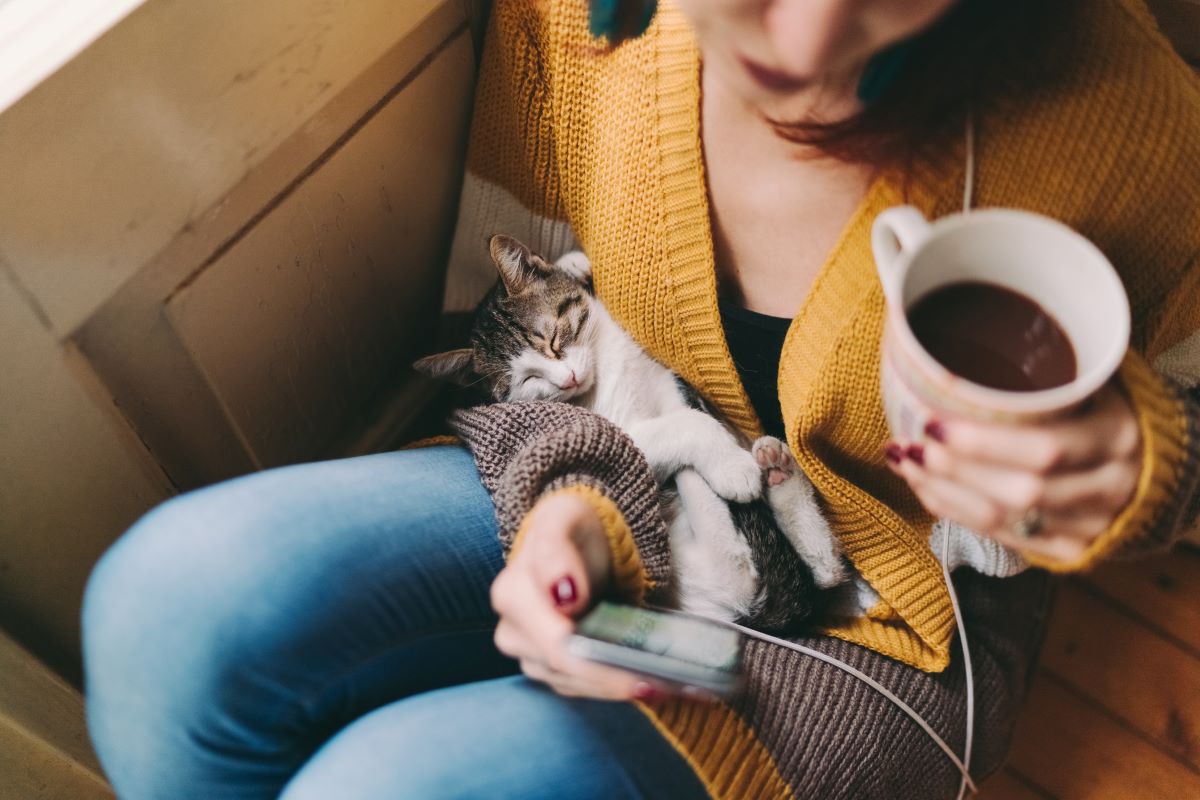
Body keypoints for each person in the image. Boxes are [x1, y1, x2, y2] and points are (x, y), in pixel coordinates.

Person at [83, 0, 1200, 797]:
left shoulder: (1137, 127)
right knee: (167, 606)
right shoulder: (579, 22)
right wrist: (574, 491)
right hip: (616, 454)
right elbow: (498, 306)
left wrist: (1154, 461)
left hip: (884, 627)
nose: (808, 40)